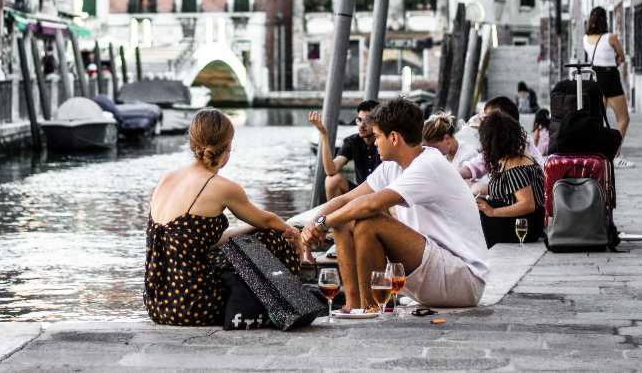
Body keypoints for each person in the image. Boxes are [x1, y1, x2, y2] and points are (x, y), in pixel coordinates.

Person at [301, 98, 488, 310]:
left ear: (394, 138)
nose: (375, 142)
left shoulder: (428, 165)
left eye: (378, 136)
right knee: (343, 219)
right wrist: (313, 223)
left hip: (464, 280)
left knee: (370, 222)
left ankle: (370, 309)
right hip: (435, 270)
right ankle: (353, 306)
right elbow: (344, 199)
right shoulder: (392, 166)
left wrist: (322, 223)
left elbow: (370, 205)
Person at [144, 109, 301, 326]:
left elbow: (196, 241)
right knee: (275, 237)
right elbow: (269, 221)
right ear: (227, 146)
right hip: (193, 306)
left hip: (158, 304)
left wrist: (249, 229)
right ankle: (282, 305)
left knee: (246, 239)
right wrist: (297, 240)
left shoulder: (167, 179)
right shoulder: (222, 187)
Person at [474, 112, 545, 247]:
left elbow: (527, 204)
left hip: (521, 227)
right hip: (527, 224)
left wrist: (492, 211)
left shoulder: (514, 165)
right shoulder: (519, 156)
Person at [584, 7, 634, 168]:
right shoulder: (611, 37)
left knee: (599, 119)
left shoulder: (586, 38)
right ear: (605, 20)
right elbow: (622, 56)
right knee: (623, 118)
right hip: (610, 77)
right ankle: (615, 153)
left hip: (595, 77)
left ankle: (599, 152)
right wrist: (616, 59)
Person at [307, 100, 381, 200]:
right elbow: (331, 170)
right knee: (331, 180)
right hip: (360, 193)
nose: (361, 125)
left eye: (367, 121)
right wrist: (324, 134)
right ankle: (337, 215)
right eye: (359, 120)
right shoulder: (352, 141)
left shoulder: (385, 141)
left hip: (383, 195)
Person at [459, 96, 544, 183]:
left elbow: (519, 187)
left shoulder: (518, 150)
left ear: (504, 123)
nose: (484, 124)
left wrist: (486, 189)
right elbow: (475, 166)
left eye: (487, 119)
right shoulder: (498, 145)